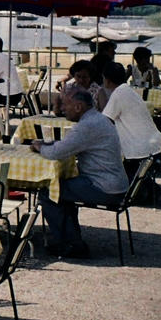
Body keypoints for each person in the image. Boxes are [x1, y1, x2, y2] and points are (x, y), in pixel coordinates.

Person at [29, 88, 129, 257]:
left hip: (104, 188)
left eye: (65, 105)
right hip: (113, 184)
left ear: (78, 106)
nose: (62, 109)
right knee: (62, 191)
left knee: (50, 193)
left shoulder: (87, 125)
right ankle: (72, 240)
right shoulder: (98, 119)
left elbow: (55, 153)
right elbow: (68, 145)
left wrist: (40, 147)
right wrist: (52, 145)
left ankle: (70, 244)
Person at [99, 62, 161, 186]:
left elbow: (104, 121)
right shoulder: (130, 91)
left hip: (139, 148)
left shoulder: (118, 94)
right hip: (154, 144)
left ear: (107, 79)